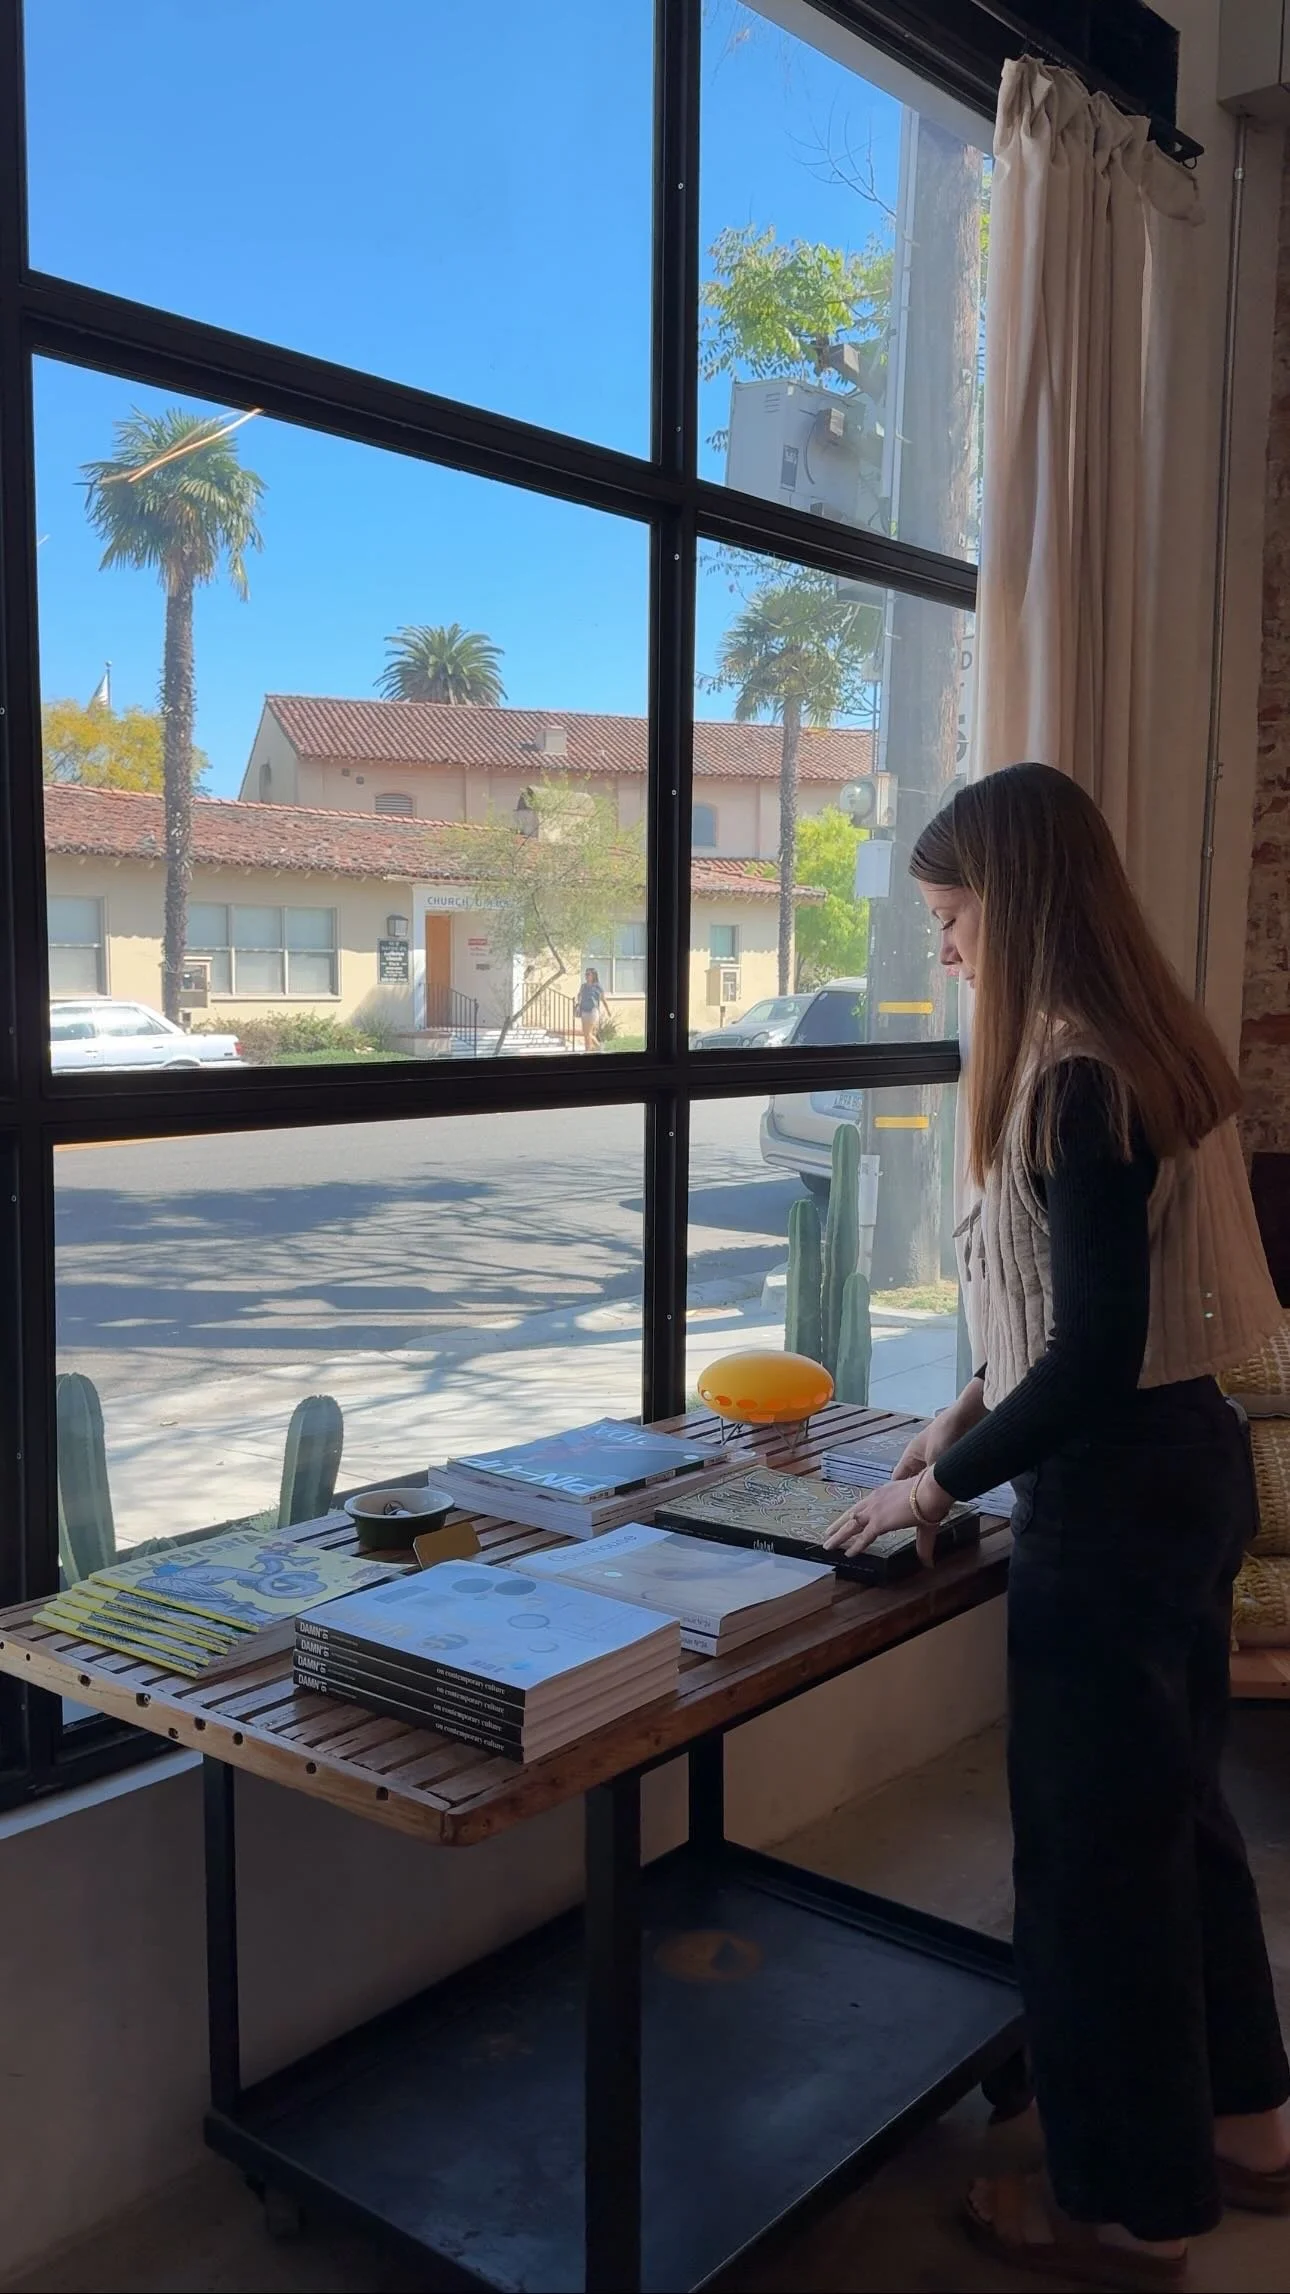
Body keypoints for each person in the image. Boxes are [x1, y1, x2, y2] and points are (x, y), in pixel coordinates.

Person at [824, 763, 1290, 2290]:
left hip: (1115, 1500)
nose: (944, 947)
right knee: (1179, 1821)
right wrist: (960, 1408)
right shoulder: (1130, 1044)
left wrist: (926, 1491)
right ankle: (1248, 2128)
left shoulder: (1073, 1080)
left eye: (954, 915)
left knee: (1096, 1877)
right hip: (1187, 1464)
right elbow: (1074, 1307)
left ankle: (1128, 2214)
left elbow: (1088, 1355)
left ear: (1014, 905)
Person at [576, 966, 609, 1053]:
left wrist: (608, 1010)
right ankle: (592, 1049)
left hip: (593, 1011)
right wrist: (578, 1003)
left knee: (588, 1033)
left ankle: (592, 1049)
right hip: (584, 1010)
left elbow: (603, 999)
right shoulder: (583, 986)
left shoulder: (597, 986)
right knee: (585, 1033)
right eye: (585, 974)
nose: (586, 976)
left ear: (593, 975)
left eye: (588, 974)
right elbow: (579, 995)